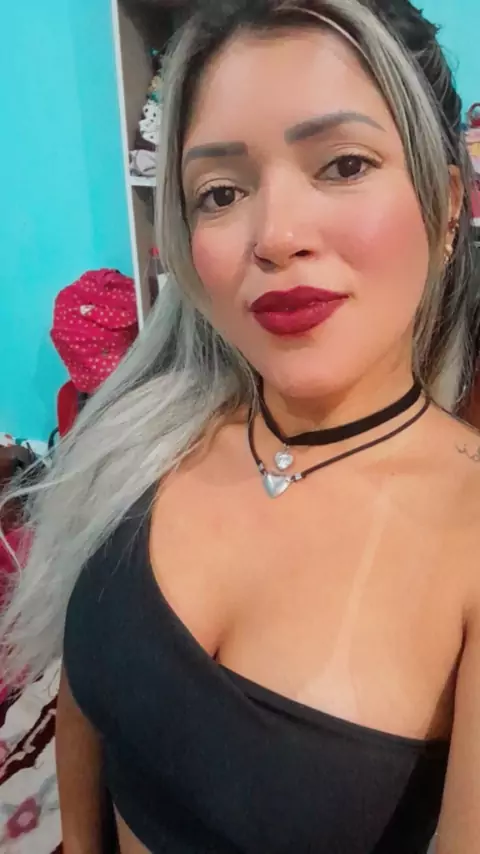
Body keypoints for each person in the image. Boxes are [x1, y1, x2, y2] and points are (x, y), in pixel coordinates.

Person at [1, 0, 480, 851]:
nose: (276, 237)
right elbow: (92, 699)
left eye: (343, 164)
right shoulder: (141, 441)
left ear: (447, 207)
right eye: (220, 192)